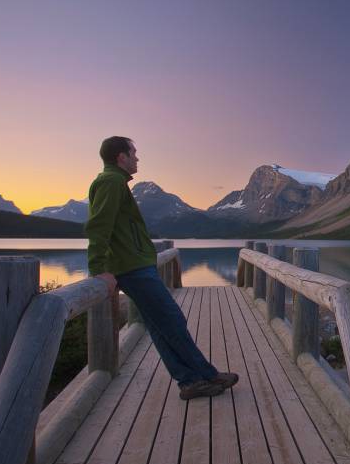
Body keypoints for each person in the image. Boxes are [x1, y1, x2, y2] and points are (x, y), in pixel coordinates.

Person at [85, 136, 237, 400]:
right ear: (121, 156)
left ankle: (191, 381)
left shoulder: (116, 182)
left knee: (160, 326)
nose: (137, 158)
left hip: (135, 265)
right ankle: (205, 375)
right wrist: (99, 269)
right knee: (172, 319)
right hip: (133, 268)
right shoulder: (110, 181)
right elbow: (99, 226)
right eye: (134, 152)